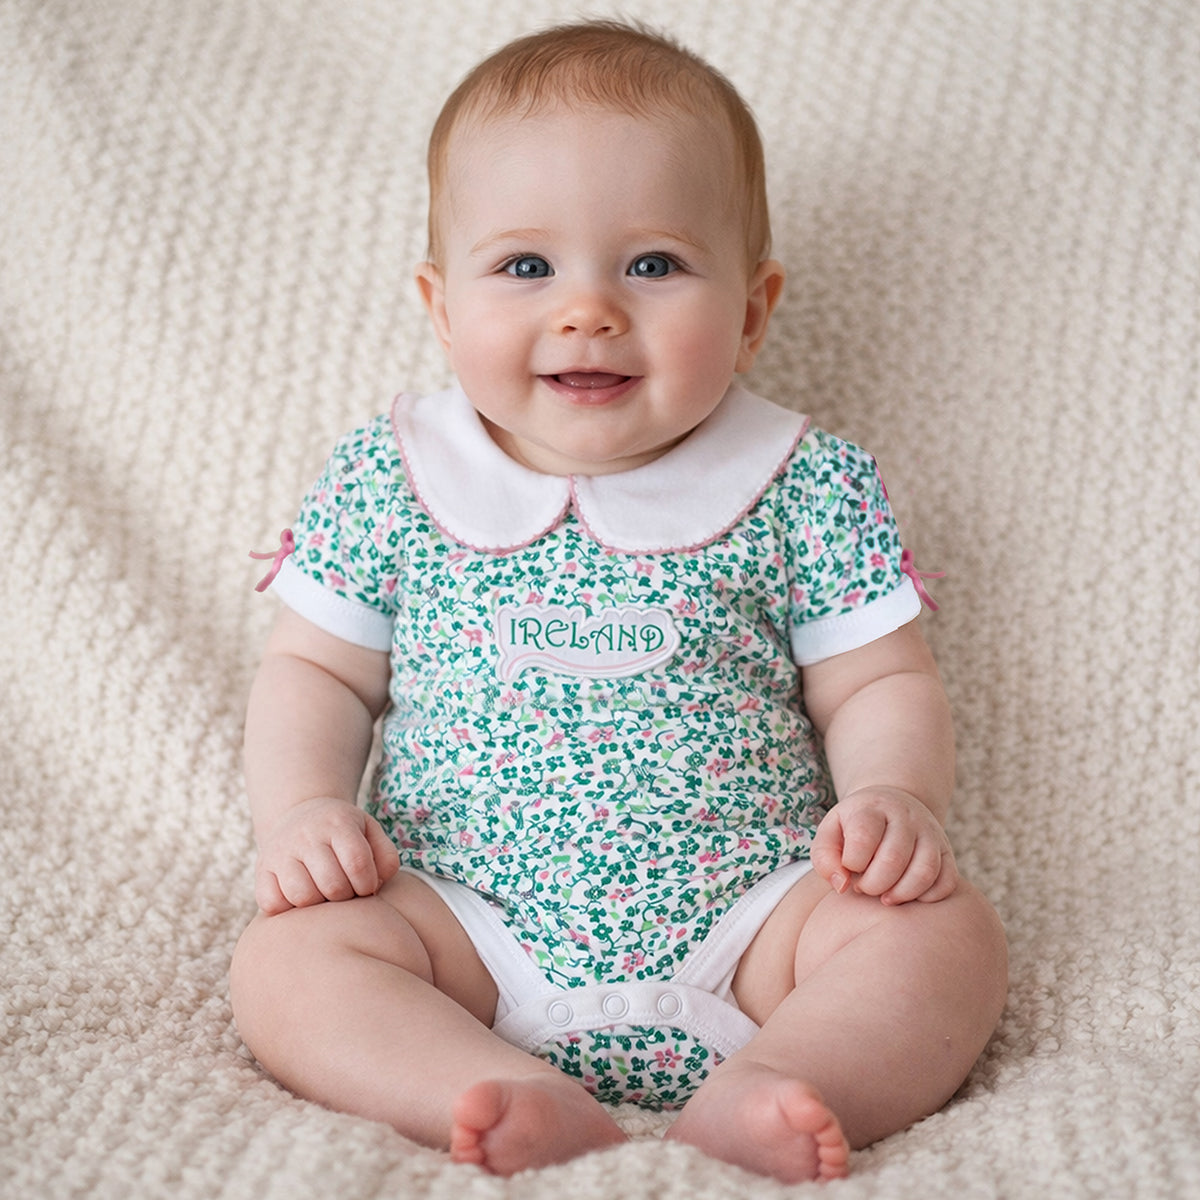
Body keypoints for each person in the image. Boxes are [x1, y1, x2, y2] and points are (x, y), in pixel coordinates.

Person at [230, 19, 1008, 1184]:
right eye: (525, 266)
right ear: (442, 308)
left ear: (751, 311)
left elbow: (881, 679)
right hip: (464, 927)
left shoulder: (802, 483)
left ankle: (776, 1087)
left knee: (944, 936)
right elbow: (316, 674)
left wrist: (894, 799)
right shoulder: (394, 476)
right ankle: (490, 1088)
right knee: (288, 961)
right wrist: (302, 813)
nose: (588, 308)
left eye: (652, 265)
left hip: (756, 926)